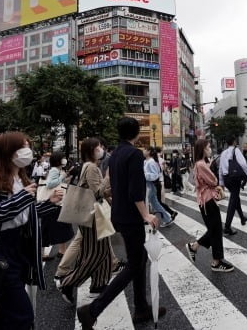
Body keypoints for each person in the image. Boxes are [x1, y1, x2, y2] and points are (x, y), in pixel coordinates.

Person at [0, 132, 62, 329]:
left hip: (20, 247)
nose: (27, 151)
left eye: (28, 146)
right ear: (7, 151)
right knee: (22, 315)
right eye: (22, 147)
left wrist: (50, 203)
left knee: (5, 312)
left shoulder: (21, 178)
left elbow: (25, 213)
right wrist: (22, 198)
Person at [76, 117, 163, 329]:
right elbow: (135, 190)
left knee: (138, 259)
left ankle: (141, 308)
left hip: (119, 214)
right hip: (132, 217)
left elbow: (117, 186)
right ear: (136, 132)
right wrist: (146, 215)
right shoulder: (134, 154)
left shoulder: (114, 155)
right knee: (135, 263)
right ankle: (94, 309)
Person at [59, 138, 114, 303]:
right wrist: (108, 177)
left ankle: (98, 285)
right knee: (95, 253)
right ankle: (68, 283)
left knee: (103, 251)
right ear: (91, 150)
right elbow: (96, 192)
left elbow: (98, 191)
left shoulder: (91, 166)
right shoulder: (91, 167)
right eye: (98, 147)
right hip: (92, 215)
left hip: (95, 213)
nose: (101, 149)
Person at [185, 139, 234, 272]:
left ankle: (195, 248)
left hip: (206, 200)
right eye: (208, 147)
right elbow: (213, 180)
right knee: (216, 230)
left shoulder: (200, 163)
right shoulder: (201, 164)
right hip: (207, 201)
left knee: (215, 229)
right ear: (203, 149)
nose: (210, 149)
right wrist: (214, 179)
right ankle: (216, 262)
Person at [39, 151, 74, 262]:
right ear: (58, 160)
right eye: (63, 158)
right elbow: (50, 184)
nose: (65, 159)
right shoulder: (54, 170)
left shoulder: (56, 170)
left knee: (59, 227)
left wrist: (64, 178)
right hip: (54, 203)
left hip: (56, 203)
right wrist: (62, 177)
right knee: (58, 227)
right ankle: (53, 252)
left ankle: (61, 251)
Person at [219, 135, 247, 235]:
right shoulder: (236, 150)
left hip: (226, 179)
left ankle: (242, 218)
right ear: (234, 142)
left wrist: (221, 183)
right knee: (233, 200)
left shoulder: (223, 153)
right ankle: (227, 226)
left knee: (235, 197)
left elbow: (220, 168)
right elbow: (243, 164)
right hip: (234, 178)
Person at [144, 147, 173, 227]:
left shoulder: (151, 162)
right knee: (155, 204)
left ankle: (145, 219)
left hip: (151, 185)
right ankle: (167, 219)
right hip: (149, 185)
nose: (143, 151)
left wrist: (143, 175)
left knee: (146, 203)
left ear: (149, 151)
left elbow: (155, 175)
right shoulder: (146, 161)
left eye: (145, 149)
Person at [155, 147, 177, 220]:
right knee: (160, 200)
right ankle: (168, 213)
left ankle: (167, 215)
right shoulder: (161, 160)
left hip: (157, 181)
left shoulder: (156, 160)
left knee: (158, 201)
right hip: (160, 180)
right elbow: (164, 170)